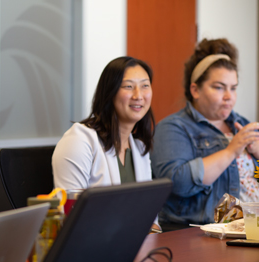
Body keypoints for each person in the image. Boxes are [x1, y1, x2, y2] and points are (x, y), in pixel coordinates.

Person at [151, 38, 259, 225]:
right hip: (204, 237)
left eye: (233, 88)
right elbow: (176, 183)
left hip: (250, 230)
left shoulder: (241, 123)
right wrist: (230, 151)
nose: (228, 97)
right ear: (195, 90)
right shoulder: (173, 128)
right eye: (219, 87)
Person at [52, 56, 160, 230]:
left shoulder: (139, 147)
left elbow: (150, 219)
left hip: (133, 249)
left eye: (145, 86)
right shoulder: (79, 141)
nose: (138, 95)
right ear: (109, 92)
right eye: (128, 86)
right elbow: (71, 216)